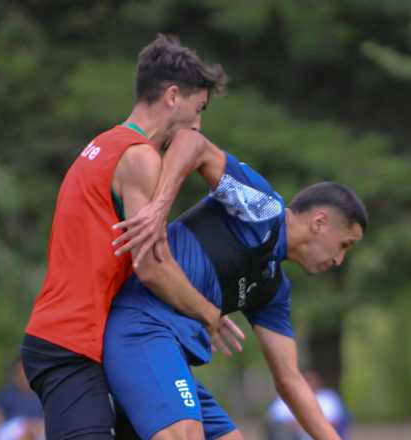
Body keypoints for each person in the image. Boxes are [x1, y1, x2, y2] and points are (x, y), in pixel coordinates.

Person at [21, 34, 245, 440]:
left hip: (96, 344)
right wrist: (209, 314)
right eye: (199, 109)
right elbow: (153, 267)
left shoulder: (102, 144)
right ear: (173, 96)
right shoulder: (140, 157)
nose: (198, 126)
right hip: (71, 344)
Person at [104, 128, 368, 440]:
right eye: (345, 245)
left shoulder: (273, 289)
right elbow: (192, 142)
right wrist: (159, 206)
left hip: (172, 357)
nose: (339, 260)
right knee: (185, 435)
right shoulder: (263, 209)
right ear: (320, 222)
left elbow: (289, 379)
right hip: (141, 329)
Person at [266, 369, 349, 440]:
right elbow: (274, 418)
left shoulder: (328, 397)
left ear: (318, 382)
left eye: (311, 380)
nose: (309, 383)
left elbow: (335, 420)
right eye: (306, 380)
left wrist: (308, 425)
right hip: (292, 435)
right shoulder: (286, 397)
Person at [0, 360, 44, 440]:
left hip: (37, 428)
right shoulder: (6, 394)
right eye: (21, 372)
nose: (24, 375)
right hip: (13, 429)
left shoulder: (41, 394)